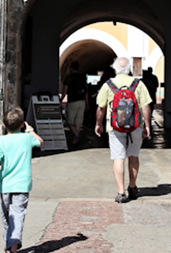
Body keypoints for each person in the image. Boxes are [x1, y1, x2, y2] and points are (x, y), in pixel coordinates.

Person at [0, 106, 43, 253]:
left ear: (4, 125)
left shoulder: (0, 141)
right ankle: (12, 246)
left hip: (5, 185)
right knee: (17, 215)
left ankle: (10, 245)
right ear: (22, 124)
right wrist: (30, 130)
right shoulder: (26, 138)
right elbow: (40, 142)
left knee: (6, 216)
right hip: (22, 184)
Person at [95, 56, 152, 202]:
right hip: (136, 126)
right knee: (133, 156)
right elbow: (145, 106)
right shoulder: (138, 84)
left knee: (118, 158)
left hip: (114, 126)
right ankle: (132, 187)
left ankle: (121, 193)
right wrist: (147, 125)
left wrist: (98, 124)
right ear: (129, 70)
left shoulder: (108, 85)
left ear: (115, 69)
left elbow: (101, 107)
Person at [60, 60, 88, 146]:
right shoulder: (82, 78)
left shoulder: (69, 78)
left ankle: (77, 135)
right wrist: (87, 104)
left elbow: (65, 91)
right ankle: (76, 139)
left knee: (69, 121)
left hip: (73, 102)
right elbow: (86, 92)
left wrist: (61, 100)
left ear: (71, 68)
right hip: (82, 102)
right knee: (78, 122)